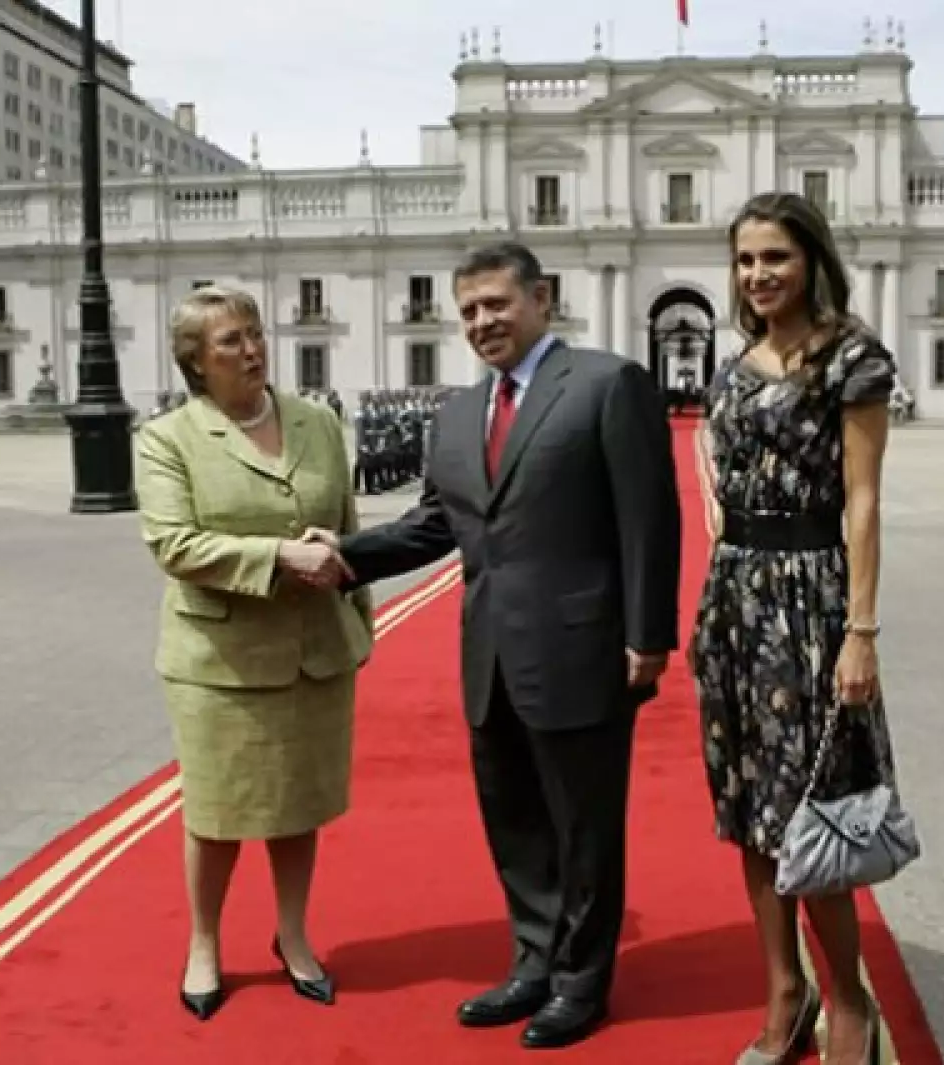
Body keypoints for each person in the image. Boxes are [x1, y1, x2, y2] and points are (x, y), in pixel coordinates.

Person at [306, 242, 681, 1050]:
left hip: (585, 645)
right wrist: (343, 552)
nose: (481, 322)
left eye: (496, 304)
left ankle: (582, 981)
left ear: (540, 298)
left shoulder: (606, 385)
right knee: (512, 817)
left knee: (583, 823)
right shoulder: (456, 412)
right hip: (490, 652)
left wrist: (649, 636)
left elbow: (648, 520)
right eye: (469, 309)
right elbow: (436, 524)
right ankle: (534, 959)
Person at [691, 191, 898, 1065]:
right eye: (744, 260)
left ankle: (846, 997)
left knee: (810, 810)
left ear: (811, 258)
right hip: (735, 599)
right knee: (748, 808)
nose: (758, 274)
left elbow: (863, 498)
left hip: (811, 603)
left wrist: (860, 630)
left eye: (774, 256)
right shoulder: (737, 365)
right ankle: (784, 985)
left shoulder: (851, 358)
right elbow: (715, 458)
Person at [136, 285, 372, 1021]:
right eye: (230, 341)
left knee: (297, 804)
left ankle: (293, 935)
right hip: (221, 661)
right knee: (216, 809)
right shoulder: (167, 438)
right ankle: (204, 941)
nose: (251, 349)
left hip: (315, 651)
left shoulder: (319, 422)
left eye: (254, 333)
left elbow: (348, 524)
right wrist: (278, 556)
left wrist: (359, 622)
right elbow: (173, 544)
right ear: (196, 363)